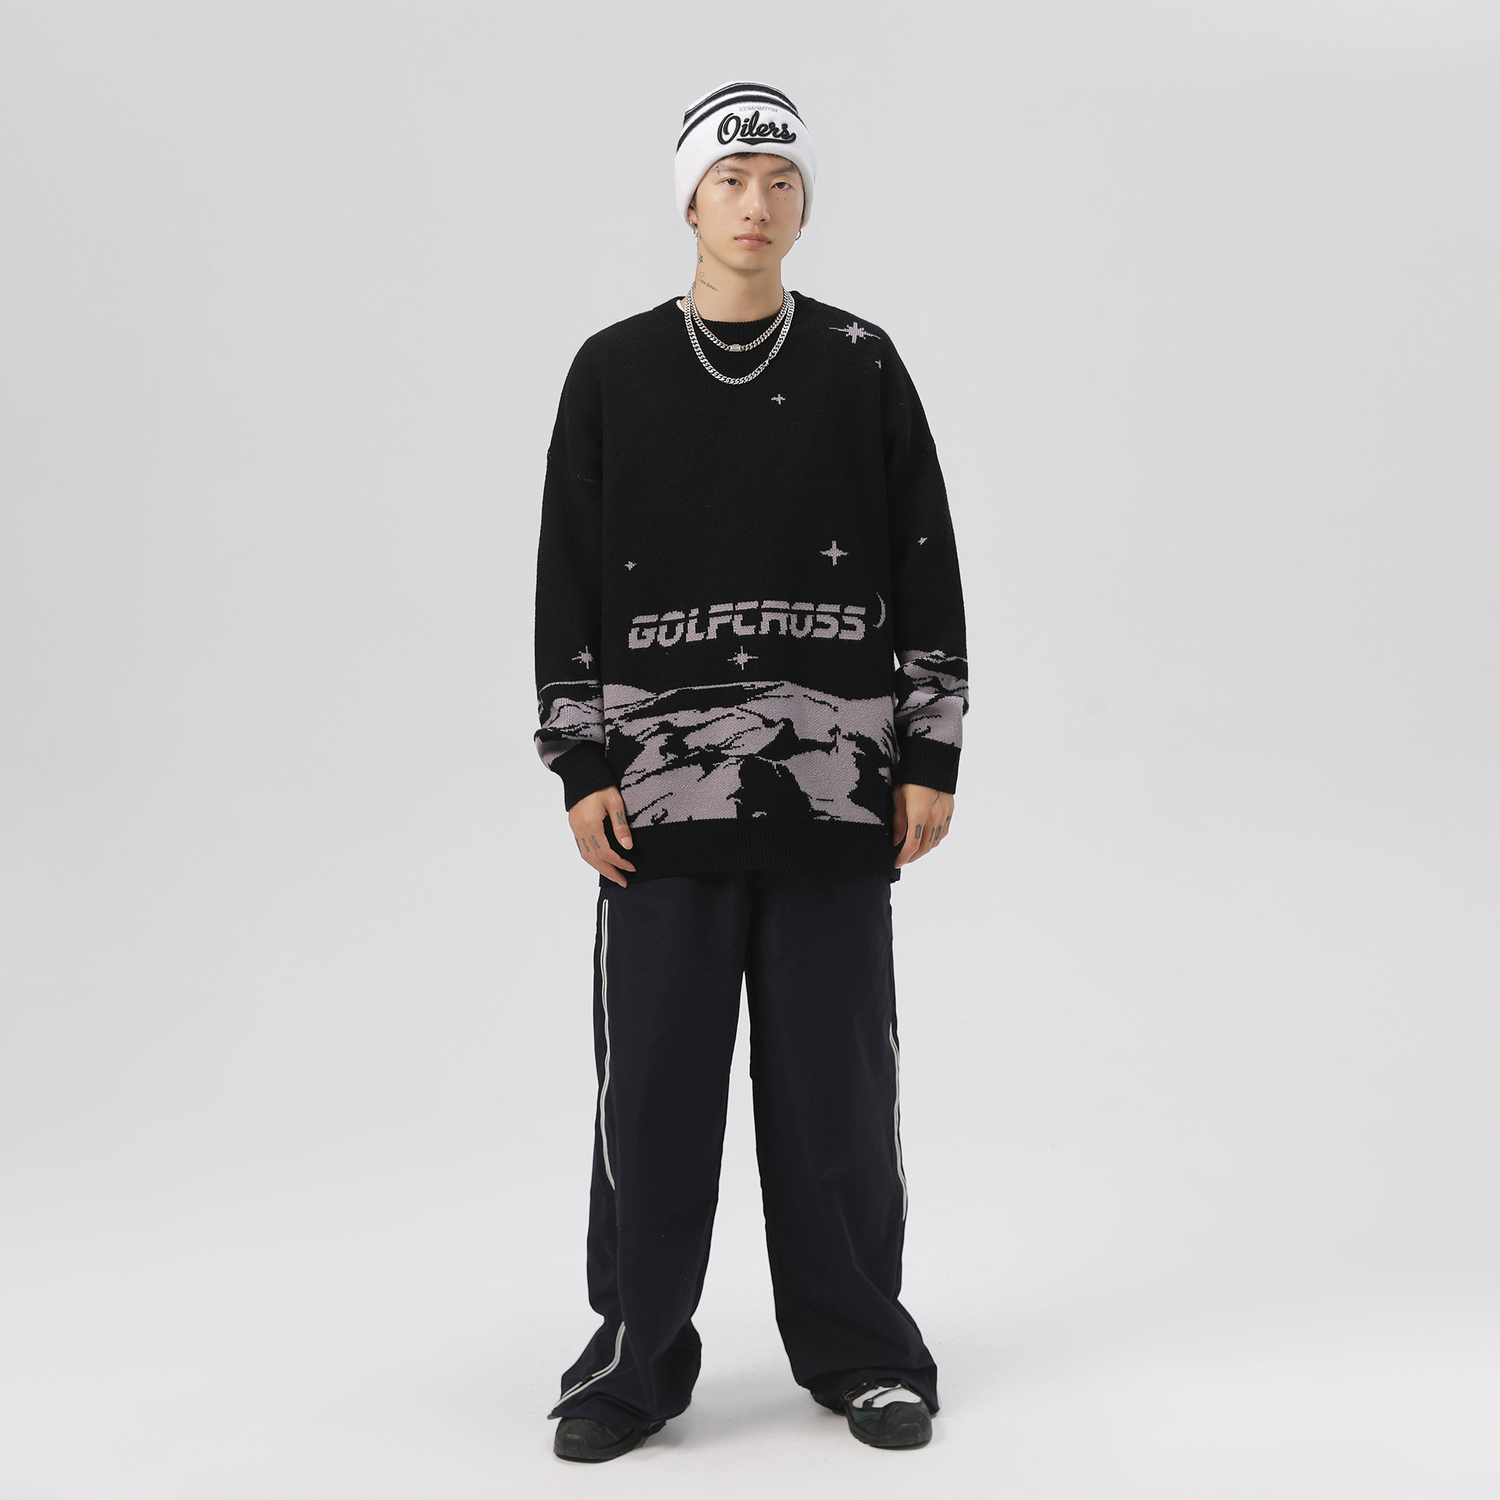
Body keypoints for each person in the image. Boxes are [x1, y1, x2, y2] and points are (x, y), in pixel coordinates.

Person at [533, 79, 968, 1463]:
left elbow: (924, 559)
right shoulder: (613, 369)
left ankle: (865, 1352)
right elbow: (566, 577)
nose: (756, 203)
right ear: (689, 198)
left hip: (837, 794)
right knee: (654, 1091)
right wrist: (580, 758)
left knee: (837, 1089)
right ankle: (633, 1360)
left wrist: (930, 747)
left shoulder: (860, 362)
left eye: (782, 179)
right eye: (731, 179)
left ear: (805, 203)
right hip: (657, 802)